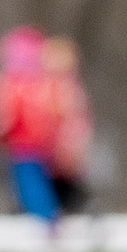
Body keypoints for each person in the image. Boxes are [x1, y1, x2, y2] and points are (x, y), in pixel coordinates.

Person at [0, 25, 63, 230]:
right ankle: (47, 215)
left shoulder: (11, 85)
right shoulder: (41, 83)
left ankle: (46, 217)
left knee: (29, 183)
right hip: (38, 144)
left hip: (22, 144)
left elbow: (5, 115)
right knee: (37, 181)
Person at [42, 36, 94, 218]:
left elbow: (76, 119)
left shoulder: (68, 89)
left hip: (65, 145)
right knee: (56, 184)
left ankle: (81, 210)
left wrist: (72, 142)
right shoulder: (48, 87)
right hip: (51, 147)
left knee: (68, 184)